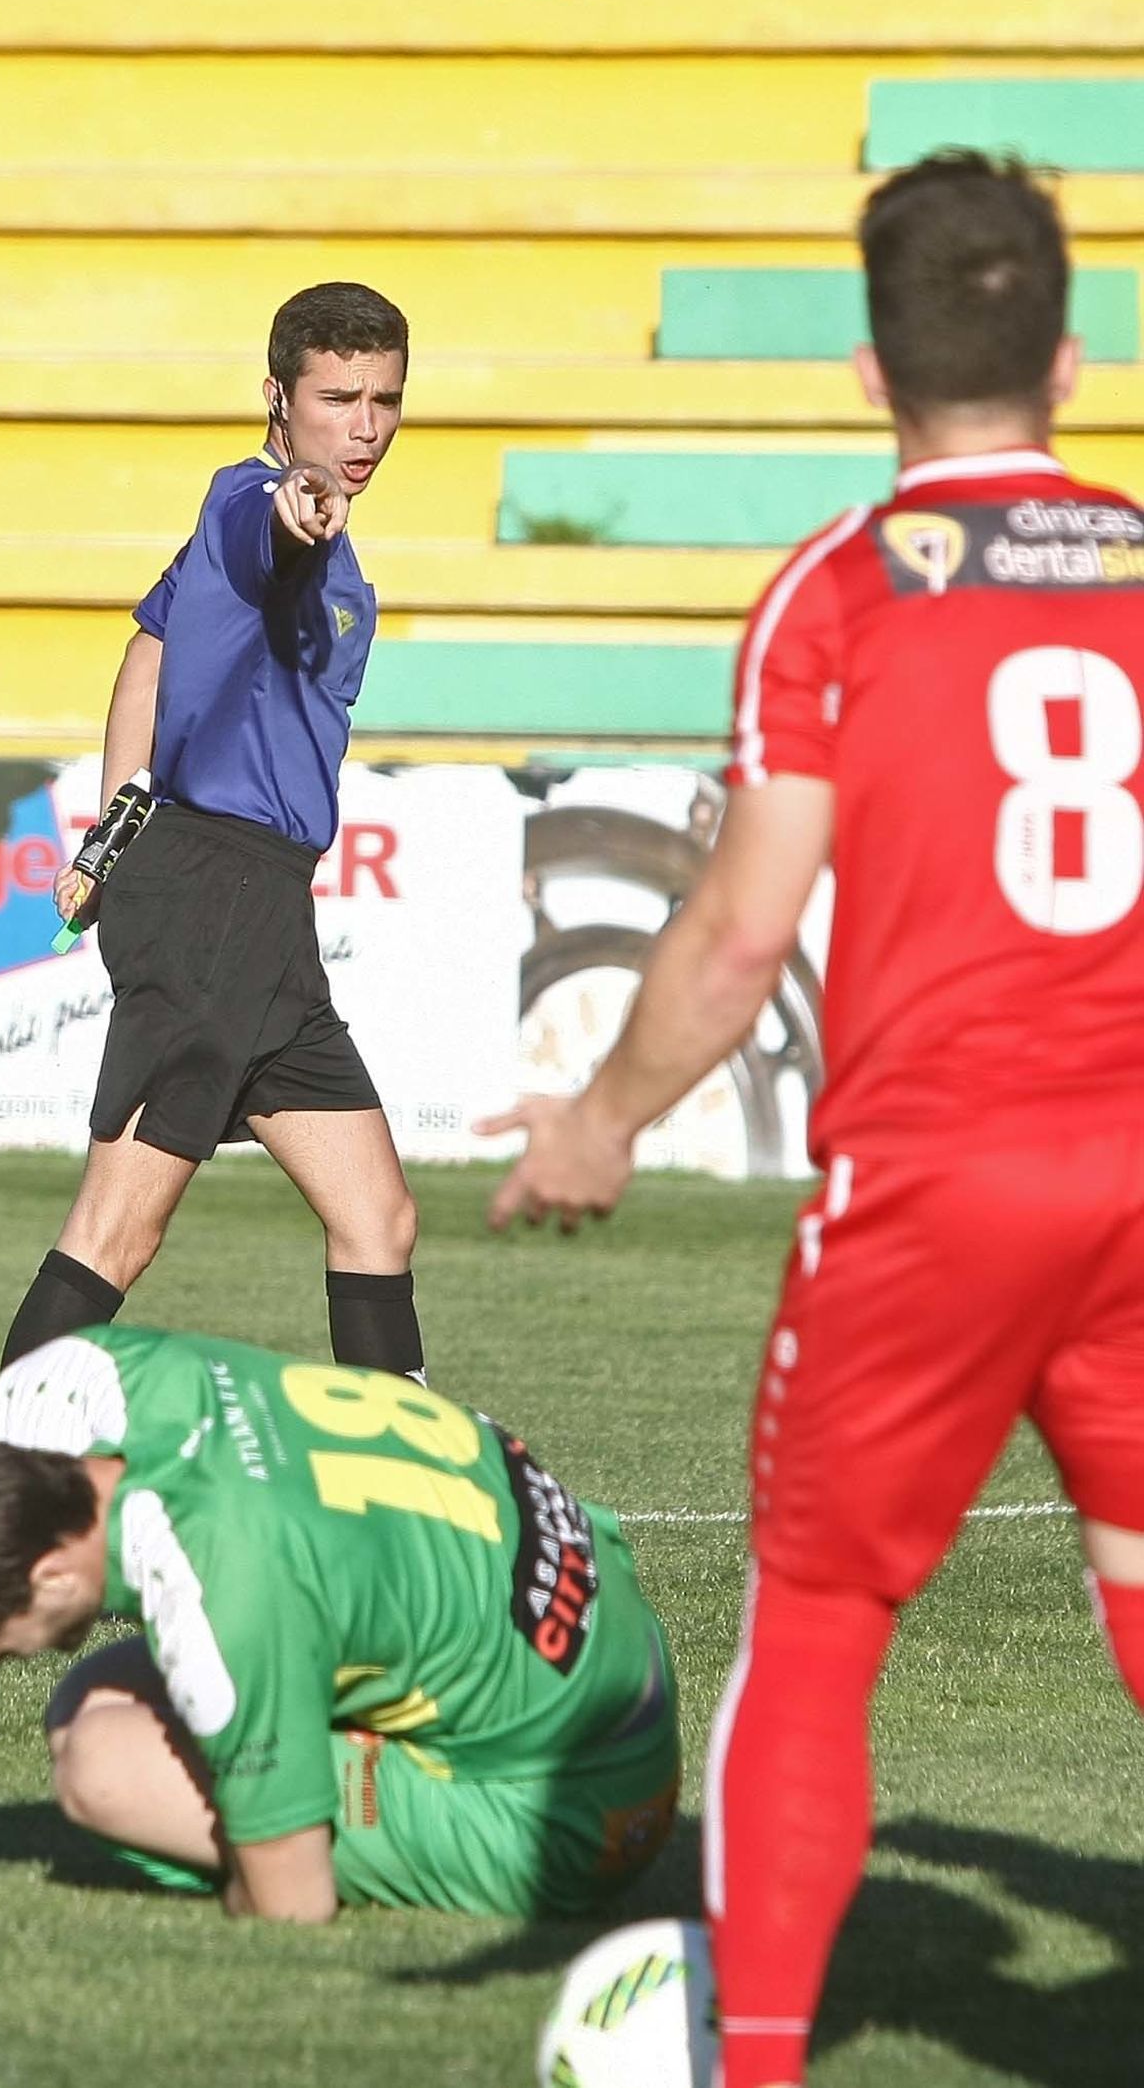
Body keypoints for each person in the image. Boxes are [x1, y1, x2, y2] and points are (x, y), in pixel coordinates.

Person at [481, 150, 1144, 2086]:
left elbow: (739, 924)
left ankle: (749, 2057)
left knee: (825, 1612)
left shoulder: (838, 593)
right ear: (1068, 361)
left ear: (868, 372)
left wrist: (597, 1119)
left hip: (934, 1179)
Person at [0, 1325, 681, 1923]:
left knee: (101, 1761)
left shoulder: (216, 1591)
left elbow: (292, 1902)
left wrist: (252, 1876)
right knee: (105, 1696)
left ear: (48, 1576)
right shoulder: (84, 1379)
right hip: (592, 1607)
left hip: (565, 1799)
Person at [2, 283, 424, 1385]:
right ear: (278, 398)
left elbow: (148, 646)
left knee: (377, 1218)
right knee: (114, 1232)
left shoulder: (296, 543)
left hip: (258, 905)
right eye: (337, 399)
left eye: (384, 399)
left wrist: (109, 821)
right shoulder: (254, 505)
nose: (364, 426)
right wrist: (297, 511)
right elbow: (267, 525)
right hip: (210, 897)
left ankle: (403, 1492)